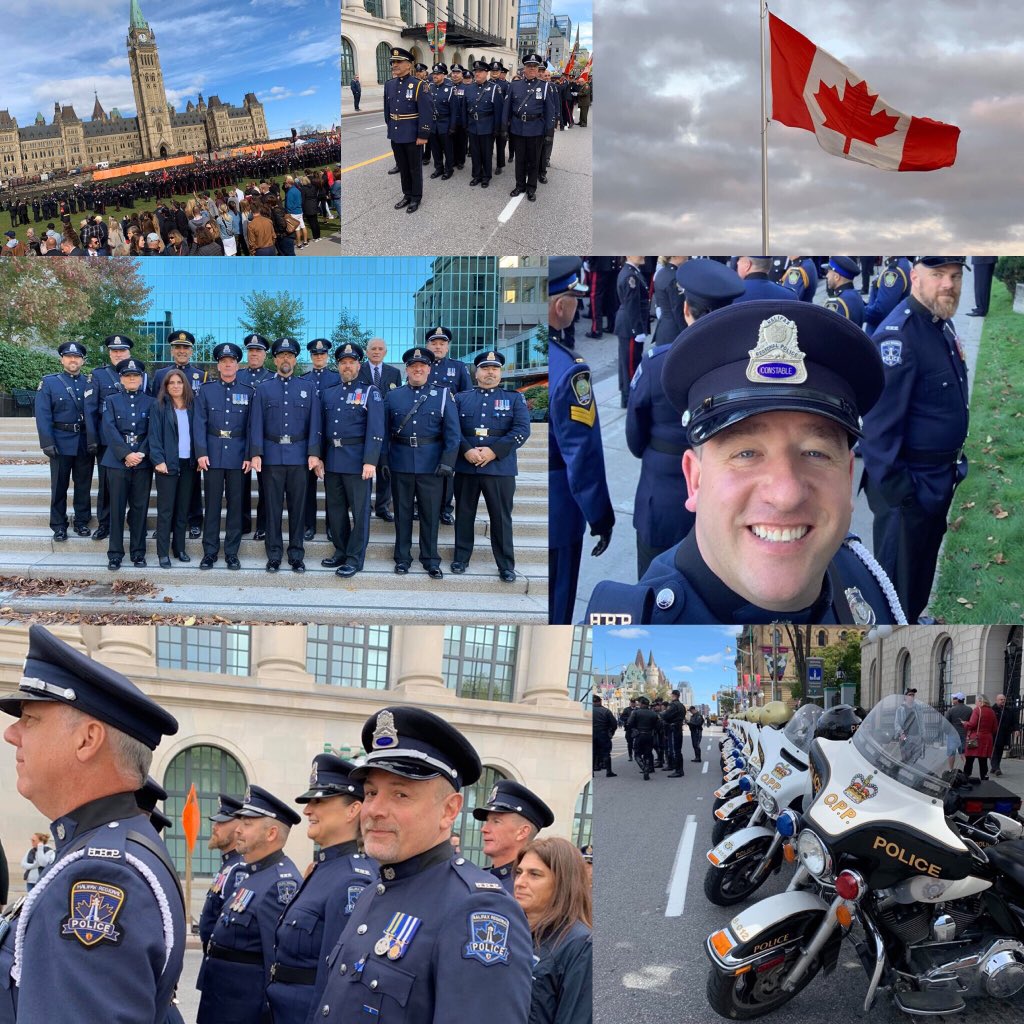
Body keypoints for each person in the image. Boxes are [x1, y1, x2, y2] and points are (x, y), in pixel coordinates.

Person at [586, 300, 906, 625]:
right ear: (694, 479)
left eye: (815, 453)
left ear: (848, 477)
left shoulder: (863, 578)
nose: (785, 495)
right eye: (746, 453)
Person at [0, 624, 184, 1022]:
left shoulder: (101, 875)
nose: (11, 733)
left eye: (30, 719)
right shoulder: (102, 848)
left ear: (87, 740)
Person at [310, 706, 533, 1023]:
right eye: (371, 792)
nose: (374, 809)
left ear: (449, 810)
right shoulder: (373, 892)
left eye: (400, 794)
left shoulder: (475, 909)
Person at [859, 257, 970, 623]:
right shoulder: (898, 337)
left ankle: (914, 617)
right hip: (909, 487)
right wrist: (903, 494)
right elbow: (878, 429)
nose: (948, 285)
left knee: (921, 572)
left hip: (936, 478)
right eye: (938, 275)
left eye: (954, 276)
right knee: (896, 584)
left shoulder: (941, 324)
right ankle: (898, 626)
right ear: (915, 277)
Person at [626, 259, 744, 578]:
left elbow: (634, 439)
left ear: (686, 311)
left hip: (663, 493)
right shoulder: (744, 368)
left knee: (654, 586)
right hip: (725, 498)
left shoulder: (656, 363)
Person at [265, 756, 378, 1024]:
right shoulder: (321, 869)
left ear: (353, 810)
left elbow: (335, 977)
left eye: (319, 801)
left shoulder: (352, 880)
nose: (307, 811)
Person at [195, 785, 301, 1024]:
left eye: (248, 823)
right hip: (220, 1003)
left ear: (271, 833)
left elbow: (274, 964)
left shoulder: (280, 884)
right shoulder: (252, 874)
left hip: (244, 1012)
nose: (238, 830)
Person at [548, 257, 613, 624]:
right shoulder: (571, 370)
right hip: (558, 514)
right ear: (561, 305)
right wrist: (600, 516)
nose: (579, 305)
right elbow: (583, 455)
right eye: (576, 297)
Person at [382, 346, 461, 579]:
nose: (418, 369)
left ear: (429, 369)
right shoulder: (393, 396)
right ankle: (402, 558)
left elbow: (453, 433)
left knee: (430, 514)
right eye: (413, 366)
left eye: (422, 366)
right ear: (406, 370)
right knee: (402, 513)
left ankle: (430, 559)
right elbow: (384, 432)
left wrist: (448, 462)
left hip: (432, 464)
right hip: (401, 462)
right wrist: (384, 460)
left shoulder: (444, 394)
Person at [451, 351, 530, 581]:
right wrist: (466, 449)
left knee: (501, 517)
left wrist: (494, 451)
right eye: (485, 368)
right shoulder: (461, 398)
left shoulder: (514, 399)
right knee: (465, 514)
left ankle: (506, 565)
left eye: (495, 368)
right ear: (477, 373)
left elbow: (522, 430)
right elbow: (452, 429)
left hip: (500, 468)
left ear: (501, 373)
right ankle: (460, 558)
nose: (490, 372)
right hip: (467, 465)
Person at [249, 337, 324, 574]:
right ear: (275, 359)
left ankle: (296, 555)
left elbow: (315, 423)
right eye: (281, 355)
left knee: (298, 508)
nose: (285, 359)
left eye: (289, 355)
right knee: (271, 508)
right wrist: (256, 453)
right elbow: (256, 423)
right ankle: (273, 555)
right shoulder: (263, 389)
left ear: (295, 359)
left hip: (300, 457)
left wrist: (314, 453)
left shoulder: (307, 388)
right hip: (271, 456)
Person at [318, 343, 385, 578]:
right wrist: (319, 458)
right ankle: (341, 550)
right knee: (335, 511)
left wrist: (370, 460)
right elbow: (321, 429)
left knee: (359, 512)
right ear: (339, 366)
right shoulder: (329, 392)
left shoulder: (370, 392)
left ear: (359, 365)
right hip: (333, 460)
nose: (347, 366)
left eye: (351, 362)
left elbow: (376, 429)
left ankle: (356, 558)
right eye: (343, 362)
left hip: (358, 461)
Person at [513, 838, 592, 1024]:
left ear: (562, 882)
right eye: (519, 872)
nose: (520, 882)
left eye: (534, 874)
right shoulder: (513, 933)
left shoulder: (581, 947)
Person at [193, 343, 255, 571]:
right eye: (224, 361)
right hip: (212, 455)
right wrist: (201, 453)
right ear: (218, 365)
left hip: (239, 457)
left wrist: (250, 454)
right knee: (212, 505)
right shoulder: (206, 390)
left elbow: (252, 426)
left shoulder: (249, 391)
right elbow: (199, 424)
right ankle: (209, 552)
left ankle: (231, 552)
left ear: (238, 365)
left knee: (236, 506)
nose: (228, 365)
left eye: (232, 361)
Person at [36, 340, 94, 542]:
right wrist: (46, 442)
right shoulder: (50, 382)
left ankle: (81, 521)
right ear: (62, 359)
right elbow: (43, 414)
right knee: (59, 486)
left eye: (77, 357)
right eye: (69, 356)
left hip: (84, 441)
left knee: (83, 484)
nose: (73, 360)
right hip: (60, 441)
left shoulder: (89, 382)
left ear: (82, 361)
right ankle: (59, 525)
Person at [150, 331, 206, 538]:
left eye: (186, 348)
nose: (182, 351)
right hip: (169, 438)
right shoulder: (160, 374)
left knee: (191, 487)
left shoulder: (201, 375)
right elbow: (155, 404)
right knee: (168, 488)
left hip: (191, 439)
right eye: (178, 348)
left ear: (191, 351)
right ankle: (166, 525)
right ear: (172, 350)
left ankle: (194, 521)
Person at [101, 358, 155, 571]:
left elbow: (153, 431)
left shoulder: (151, 402)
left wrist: (140, 453)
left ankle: (138, 552)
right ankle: (115, 553)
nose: (132, 379)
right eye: (127, 376)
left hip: (142, 462)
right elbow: (109, 428)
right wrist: (126, 454)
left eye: (135, 376)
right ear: (121, 379)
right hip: (117, 461)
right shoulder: (111, 400)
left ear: (141, 379)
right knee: (116, 509)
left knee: (140, 508)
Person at [85, 335, 138, 541]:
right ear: (109, 353)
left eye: (122, 350)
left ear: (129, 353)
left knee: (136, 485)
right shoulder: (99, 375)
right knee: (107, 485)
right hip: (108, 441)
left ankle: (135, 521)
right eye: (114, 351)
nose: (118, 354)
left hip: (134, 441)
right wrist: (92, 439)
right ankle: (105, 523)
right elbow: (90, 410)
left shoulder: (138, 374)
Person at [149, 367, 196, 568]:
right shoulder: (159, 406)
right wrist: (158, 460)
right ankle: (163, 553)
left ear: (185, 385)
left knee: (182, 510)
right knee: (166, 510)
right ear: (166, 386)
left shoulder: (193, 406)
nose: (176, 386)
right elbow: (154, 436)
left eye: (179, 382)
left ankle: (180, 548)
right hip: (167, 465)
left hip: (188, 465)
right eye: (172, 383)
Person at [473, 780, 554, 893]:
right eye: (487, 821)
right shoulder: (475, 878)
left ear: (522, 832)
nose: (484, 829)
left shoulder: (529, 890)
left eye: (496, 822)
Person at [503, 52, 558, 202]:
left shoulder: (545, 87)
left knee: (533, 161)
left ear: (538, 68)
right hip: (518, 128)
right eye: (529, 66)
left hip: (536, 129)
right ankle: (520, 185)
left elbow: (549, 111)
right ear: (524, 69)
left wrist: (549, 132)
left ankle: (531, 188)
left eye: (535, 66)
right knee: (520, 160)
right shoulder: (514, 86)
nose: (532, 69)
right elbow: (506, 108)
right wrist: (504, 128)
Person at [301, 338, 341, 541]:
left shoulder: (336, 378)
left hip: (330, 437)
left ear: (327, 356)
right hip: (308, 438)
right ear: (311, 356)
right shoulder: (303, 379)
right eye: (316, 354)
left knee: (332, 486)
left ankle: (332, 526)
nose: (319, 357)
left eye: (322, 354)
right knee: (307, 486)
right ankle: (309, 524)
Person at [385, 47, 433, 214]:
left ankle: (416, 197)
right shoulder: (389, 85)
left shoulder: (419, 85)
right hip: (396, 134)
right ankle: (407, 194)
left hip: (413, 135)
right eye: (393, 62)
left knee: (414, 168)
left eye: (398, 62)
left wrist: (423, 135)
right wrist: (391, 128)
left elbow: (426, 112)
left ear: (409, 65)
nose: (394, 65)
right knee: (403, 168)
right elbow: (387, 111)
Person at [358, 338, 401, 521]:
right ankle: (365, 504)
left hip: (387, 427)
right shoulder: (359, 369)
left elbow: (397, 399)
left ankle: (383, 506)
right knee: (366, 465)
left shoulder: (394, 372)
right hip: (364, 426)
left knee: (385, 468)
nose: (376, 351)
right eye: (373, 349)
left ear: (385, 352)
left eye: (380, 349)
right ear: (366, 352)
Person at [197, 795, 245, 955]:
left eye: (222, 822)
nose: (214, 827)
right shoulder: (229, 864)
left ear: (239, 827)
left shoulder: (239, 868)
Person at [237, 335, 274, 540]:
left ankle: (263, 525)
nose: (254, 354)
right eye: (251, 350)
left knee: (265, 485)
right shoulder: (238, 376)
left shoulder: (271, 377)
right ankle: (242, 523)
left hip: (263, 440)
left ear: (264, 354)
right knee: (240, 485)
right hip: (239, 440)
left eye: (258, 351)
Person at [614, 256, 649, 408]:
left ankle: (626, 397)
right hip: (630, 326)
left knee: (627, 362)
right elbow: (632, 306)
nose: (643, 255)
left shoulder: (632, 271)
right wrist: (638, 330)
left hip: (629, 324)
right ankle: (630, 399)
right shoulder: (630, 276)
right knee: (630, 365)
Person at [464, 60, 501, 187]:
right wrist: (466, 125)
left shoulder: (494, 88)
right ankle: (476, 175)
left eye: (480, 71)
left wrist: (497, 129)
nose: (477, 74)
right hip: (473, 125)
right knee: (474, 152)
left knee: (486, 153)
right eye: (476, 71)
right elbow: (464, 109)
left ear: (486, 73)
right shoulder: (468, 88)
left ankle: (486, 176)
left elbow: (498, 111)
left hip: (487, 126)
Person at [864, 256, 912, 332]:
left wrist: (859, 310)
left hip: (880, 331)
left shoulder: (894, 271)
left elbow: (881, 311)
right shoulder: (899, 263)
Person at [650, 256, 687, 347]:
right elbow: (678, 309)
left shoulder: (661, 272)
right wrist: (687, 332)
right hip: (674, 331)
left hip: (663, 327)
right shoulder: (675, 278)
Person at [733, 256, 799, 304]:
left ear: (747, 265)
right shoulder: (790, 296)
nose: (737, 263)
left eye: (739, 259)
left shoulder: (732, 294)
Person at [822, 256, 865, 327]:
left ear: (836, 277)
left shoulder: (836, 303)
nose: (826, 275)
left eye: (829, 272)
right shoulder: (856, 295)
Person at [964, 694, 998, 781]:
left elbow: (972, 724)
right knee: (983, 760)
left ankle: (966, 776)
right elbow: (994, 728)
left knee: (969, 759)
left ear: (980, 701)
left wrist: (965, 723)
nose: (975, 703)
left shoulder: (977, 710)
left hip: (976, 738)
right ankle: (984, 777)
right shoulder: (992, 711)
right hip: (987, 739)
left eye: (976, 701)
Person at [894, 688, 924, 764]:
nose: (911, 696)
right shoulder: (901, 709)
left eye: (913, 695)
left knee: (916, 759)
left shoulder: (918, 707)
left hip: (916, 736)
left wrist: (923, 735)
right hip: (906, 736)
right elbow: (897, 723)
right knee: (906, 758)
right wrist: (901, 733)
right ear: (905, 696)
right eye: (910, 694)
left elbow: (921, 721)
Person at [660, 690, 686, 777]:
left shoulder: (673, 705)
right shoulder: (682, 705)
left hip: (673, 728)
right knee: (677, 750)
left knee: (674, 750)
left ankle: (678, 771)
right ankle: (679, 769)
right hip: (678, 728)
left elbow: (666, 715)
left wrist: (661, 714)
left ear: (673, 695)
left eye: (671, 695)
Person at [591, 695, 617, 777]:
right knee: (606, 753)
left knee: (593, 753)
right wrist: (611, 733)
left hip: (592, 734)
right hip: (603, 734)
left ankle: (591, 772)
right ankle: (608, 772)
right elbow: (614, 724)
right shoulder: (606, 711)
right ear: (600, 701)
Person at [945, 692, 971, 769]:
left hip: (952, 734)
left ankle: (951, 769)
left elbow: (946, 723)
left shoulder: (951, 710)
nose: (952, 700)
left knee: (951, 753)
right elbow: (971, 722)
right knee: (963, 753)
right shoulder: (969, 710)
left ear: (957, 700)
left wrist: (946, 732)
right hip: (964, 733)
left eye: (954, 698)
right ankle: (967, 769)